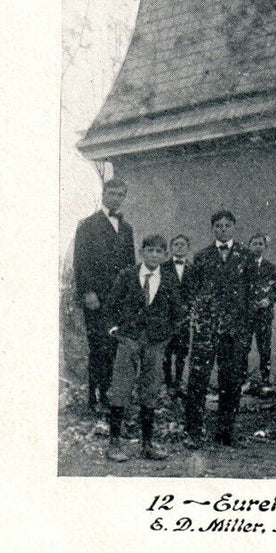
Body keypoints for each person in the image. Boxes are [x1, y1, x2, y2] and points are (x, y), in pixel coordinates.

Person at [102, 235, 181, 462]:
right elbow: (110, 306)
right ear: (142, 252)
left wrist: (165, 337)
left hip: (155, 343)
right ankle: (114, 444)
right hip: (129, 340)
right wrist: (115, 331)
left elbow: (177, 313)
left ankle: (147, 444)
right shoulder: (128, 275)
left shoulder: (169, 278)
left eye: (159, 251)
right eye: (150, 251)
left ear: (165, 255)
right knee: (120, 388)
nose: (154, 255)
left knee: (150, 390)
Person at [182, 210, 251, 447]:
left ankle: (225, 431)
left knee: (230, 380)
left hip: (233, 329)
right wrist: (199, 316)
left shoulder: (246, 256)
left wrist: (243, 322)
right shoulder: (202, 256)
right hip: (206, 328)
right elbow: (190, 291)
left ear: (233, 227)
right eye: (218, 226)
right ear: (213, 229)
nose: (222, 230)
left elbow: (251, 292)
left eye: (227, 225)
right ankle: (192, 431)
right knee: (198, 379)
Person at [72, 177, 136, 408]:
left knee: (115, 346)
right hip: (97, 299)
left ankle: (111, 394)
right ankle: (94, 395)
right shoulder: (88, 225)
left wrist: (131, 295)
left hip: (119, 299)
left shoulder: (127, 229)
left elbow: (131, 265)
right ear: (103, 194)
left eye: (120, 194)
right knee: (98, 346)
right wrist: (88, 292)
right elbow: (81, 262)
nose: (116, 198)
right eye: (112, 193)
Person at [242, 233, 276, 399]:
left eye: (261, 244)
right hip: (246, 314)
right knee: (243, 347)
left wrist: (268, 300)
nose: (257, 246)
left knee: (264, 348)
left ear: (265, 248)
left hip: (264, 315)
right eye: (254, 243)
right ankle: (242, 380)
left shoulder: (270, 267)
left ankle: (265, 381)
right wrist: (247, 302)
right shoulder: (243, 266)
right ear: (249, 246)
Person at [161, 233, 192, 395]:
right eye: (176, 245)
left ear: (188, 248)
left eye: (182, 245)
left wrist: (188, 308)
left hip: (184, 317)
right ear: (171, 248)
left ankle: (178, 382)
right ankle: (167, 383)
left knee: (181, 352)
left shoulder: (192, 268)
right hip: (167, 317)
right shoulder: (163, 267)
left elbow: (195, 291)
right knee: (166, 351)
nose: (179, 247)